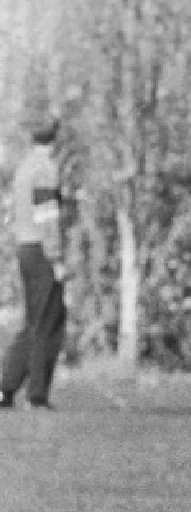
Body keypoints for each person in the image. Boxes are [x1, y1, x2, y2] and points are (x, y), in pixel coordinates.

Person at [1, 117, 67, 411]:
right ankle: (36, 395)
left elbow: (13, 213)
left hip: (24, 247)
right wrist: (57, 258)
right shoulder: (45, 169)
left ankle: (6, 387)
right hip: (41, 250)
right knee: (48, 321)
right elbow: (47, 217)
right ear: (56, 139)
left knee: (33, 321)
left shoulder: (24, 167)